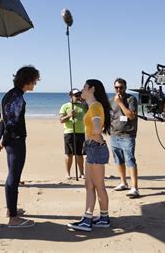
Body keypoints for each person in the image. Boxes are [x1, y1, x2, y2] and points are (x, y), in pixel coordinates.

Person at [0, 65, 40, 228]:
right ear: (27, 81)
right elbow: (10, 124)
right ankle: (13, 218)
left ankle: (10, 209)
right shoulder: (17, 97)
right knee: (14, 177)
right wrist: (2, 142)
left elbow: (2, 120)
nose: (35, 84)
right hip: (15, 141)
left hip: (10, 141)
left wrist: (0, 141)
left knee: (13, 175)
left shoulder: (10, 94)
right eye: (34, 80)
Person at [67, 79, 111, 232]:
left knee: (98, 186)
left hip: (95, 148)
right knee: (90, 186)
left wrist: (90, 138)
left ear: (92, 89)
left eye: (84, 87)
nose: (82, 90)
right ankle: (94, 217)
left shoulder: (96, 106)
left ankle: (92, 220)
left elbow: (98, 129)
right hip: (93, 148)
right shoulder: (92, 106)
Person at [109, 78, 140, 198]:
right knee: (118, 160)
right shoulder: (111, 100)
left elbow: (131, 116)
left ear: (125, 87)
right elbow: (111, 116)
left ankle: (134, 187)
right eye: (116, 87)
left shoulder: (131, 99)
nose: (118, 89)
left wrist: (121, 102)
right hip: (114, 134)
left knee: (130, 160)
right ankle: (123, 182)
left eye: (121, 87)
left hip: (127, 135)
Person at [59, 88, 88, 179]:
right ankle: (68, 173)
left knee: (80, 154)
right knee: (69, 154)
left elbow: (90, 112)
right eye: (76, 95)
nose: (78, 97)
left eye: (79, 95)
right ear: (70, 96)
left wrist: (85, 101)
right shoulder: (65, 106)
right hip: (69, 132)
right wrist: (68, 115)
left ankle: (82, 173)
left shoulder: (83, 106)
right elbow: (61, 120)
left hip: (80, 132)